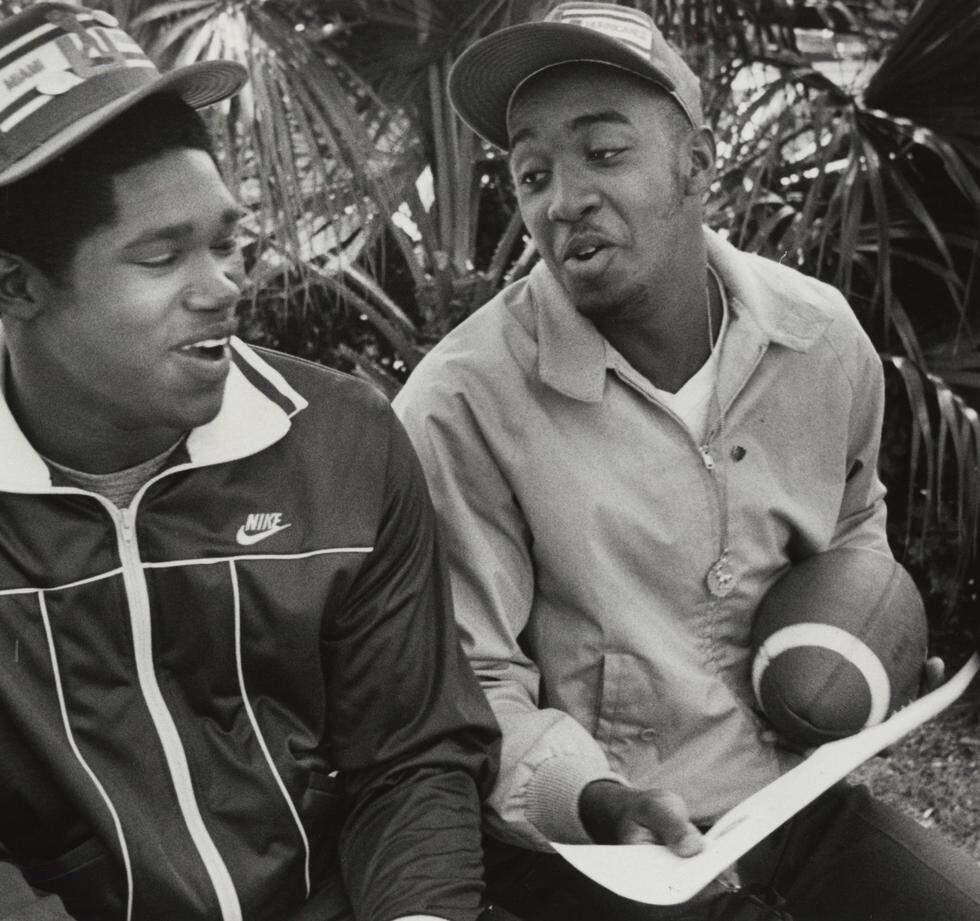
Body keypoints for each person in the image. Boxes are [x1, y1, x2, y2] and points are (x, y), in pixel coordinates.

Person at [0, 5, 502, 920]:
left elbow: (413, 758)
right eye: (162, 257)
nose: (223, 287)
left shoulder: (340, 439)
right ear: (15, 285)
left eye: (226, 241)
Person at [393, 3, 980, 919]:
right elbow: (472, 689)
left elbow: (855, 522)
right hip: (602, 857)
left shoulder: (818, 336)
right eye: (532, 172)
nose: (564, 199)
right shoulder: (458, 405)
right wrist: (591, 798)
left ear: (698, 166)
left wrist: (871, 644)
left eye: (605, 152)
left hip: (791, 811)